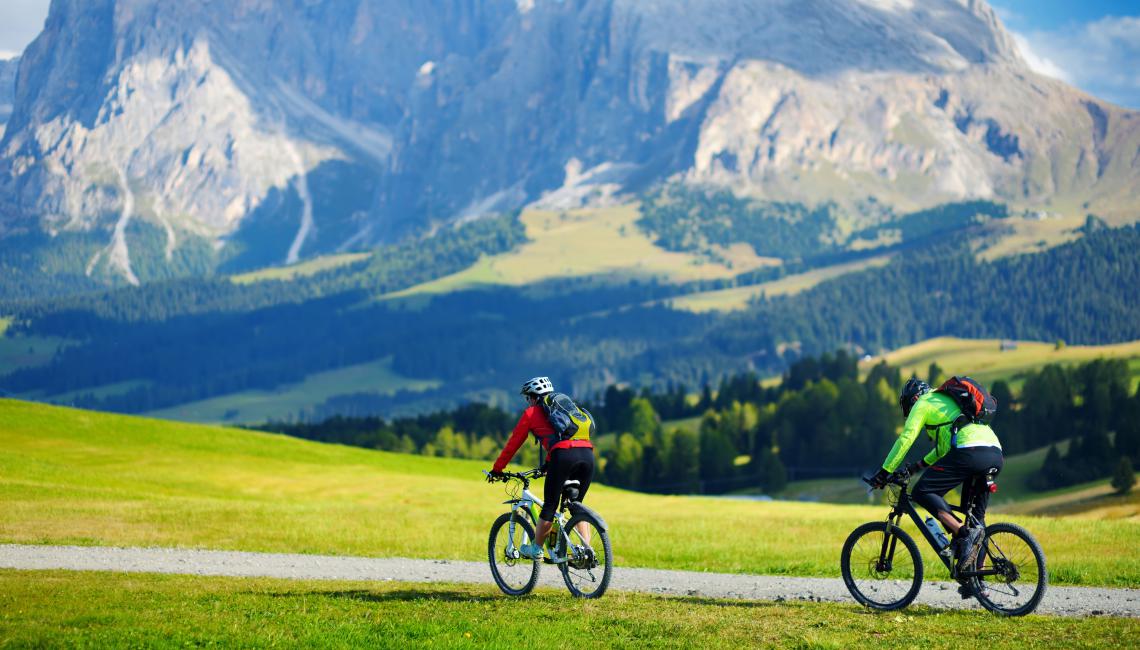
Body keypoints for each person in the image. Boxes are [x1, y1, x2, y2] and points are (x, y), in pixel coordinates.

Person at [870, 377, 1004, 592]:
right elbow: (942, 451)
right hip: (994, 453)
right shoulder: (948, 404)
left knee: (923, 492)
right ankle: (976, 579)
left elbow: (906, 438)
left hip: (970, 451)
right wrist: (915, 467)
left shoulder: (923, 403)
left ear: (911, 400)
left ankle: (962, 533)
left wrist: (885, 471)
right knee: (977, 519)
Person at [487, 376, 595, 560]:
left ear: (534, 397)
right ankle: (587, 552)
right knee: (576, 507)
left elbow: (513, 444)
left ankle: (536, 549)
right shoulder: (565, 410)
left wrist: (497, 469)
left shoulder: (531, 414)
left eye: (528, 398)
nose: (527, 402)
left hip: (563, 457)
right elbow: (559, 439)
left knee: (550, 506)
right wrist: (547, 464)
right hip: (587, 455)